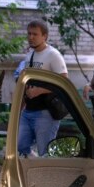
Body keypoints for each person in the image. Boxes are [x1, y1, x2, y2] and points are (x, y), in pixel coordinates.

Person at [15, 20, 68, 157]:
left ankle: (47, 176)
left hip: (46, 112)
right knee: (20, 144)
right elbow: (26, 85)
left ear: (45, 36)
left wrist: (39, 91)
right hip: (28, 111)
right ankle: (34, 164)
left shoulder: (53, 55)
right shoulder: (29, 56)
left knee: (45, 151)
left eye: (35, 34)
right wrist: (18, 109)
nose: (31, 37)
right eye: (29, 34)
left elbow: (63, 81)